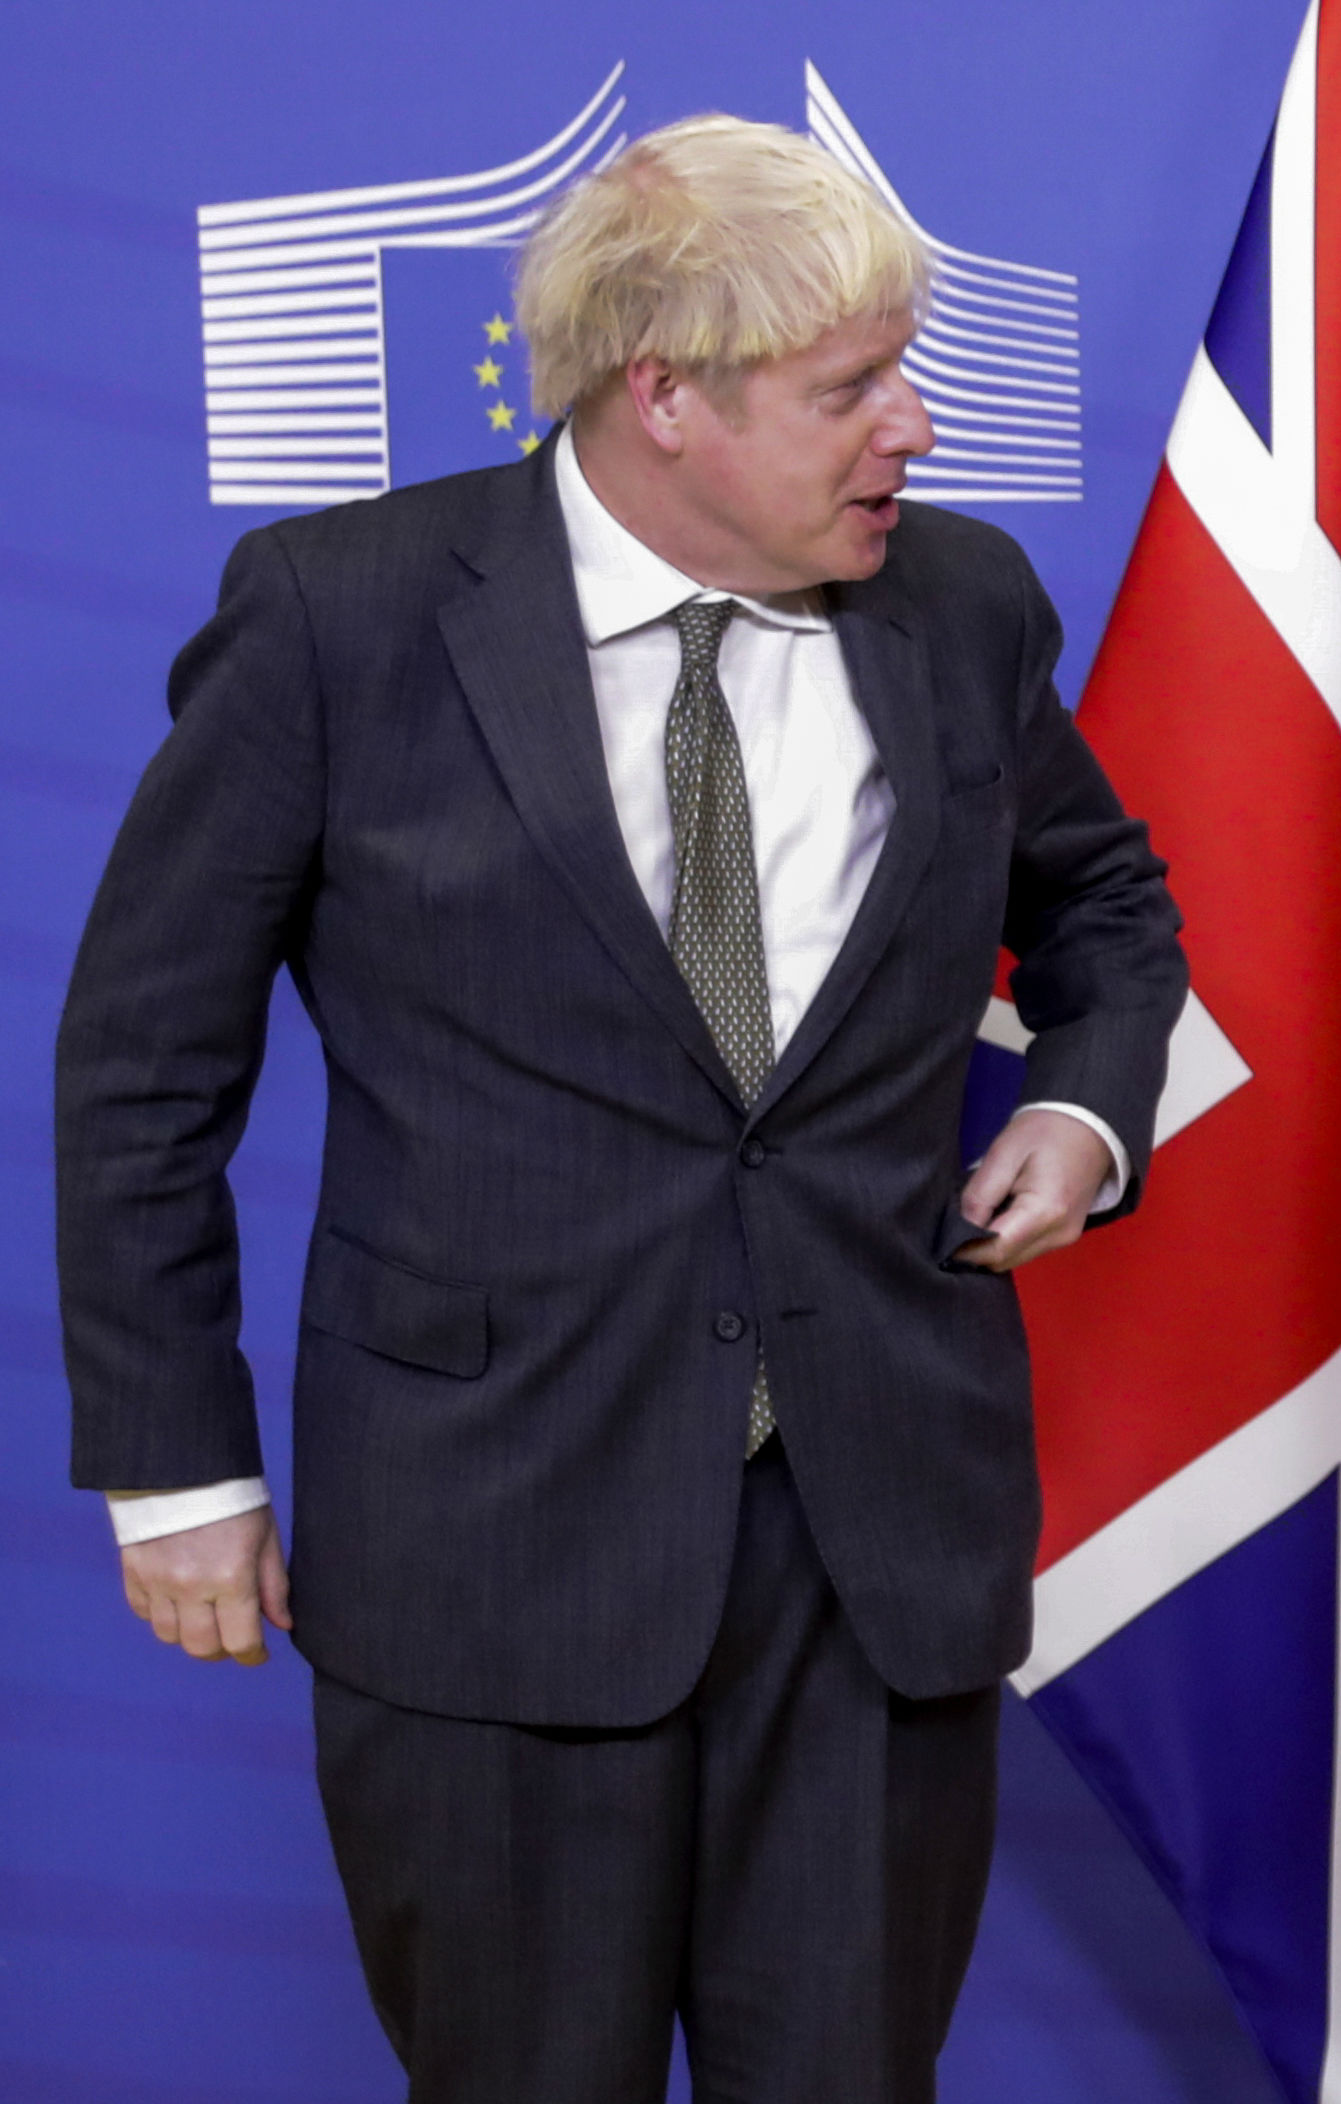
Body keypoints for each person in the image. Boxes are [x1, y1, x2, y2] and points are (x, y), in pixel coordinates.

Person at [58, 116, 1187, 2100]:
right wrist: (179, 1467)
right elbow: (144, 1065)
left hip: (873, 1552)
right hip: (491, 1539)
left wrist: (1086, 1114)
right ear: (665, 397)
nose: (912, 429)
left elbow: (1099, 894)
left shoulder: (965, 605)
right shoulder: (339, 616)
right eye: (851, 390)